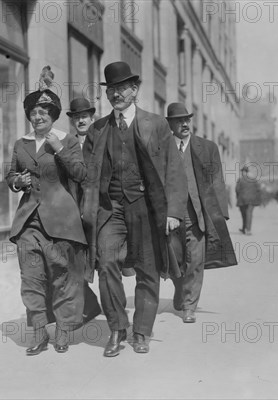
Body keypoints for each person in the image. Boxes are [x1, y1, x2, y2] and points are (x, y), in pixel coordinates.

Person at [81, 61, 187, 356]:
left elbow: (174, 171)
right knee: (107, 263)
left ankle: (141, 331)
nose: (116, 94)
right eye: (111, 89)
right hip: (110, 207)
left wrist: (174, 212)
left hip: (146, 206)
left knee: (147, 270)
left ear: (134, 90)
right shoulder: (98, 129)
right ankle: (117, 328)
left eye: (121, 88)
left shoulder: (156, 124)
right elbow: (86, 174)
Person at [5, 67, 98, 355]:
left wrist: (58, 148)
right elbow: (10, 175)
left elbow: (82, 175)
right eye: (33, 111)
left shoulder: (67, 141)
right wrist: (16, 182)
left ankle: (63, 331)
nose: (38, 116)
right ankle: (37, 333)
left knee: (62, 278)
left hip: (62, 221)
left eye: (45, 111)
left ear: (54, 115)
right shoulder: (21, 144)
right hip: (28, 222)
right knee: (31, 279)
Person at [166, 103, 237, 324]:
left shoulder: (207, 147)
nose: (184, 124)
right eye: (179, 120)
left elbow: (217, 180)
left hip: (198, 214)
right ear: (170, 124)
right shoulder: (162, 147)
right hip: (171, 215)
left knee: (195, 260)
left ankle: (189, 306)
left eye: (187, 119)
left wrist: (220, 215)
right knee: (174, 260)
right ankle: (180, 289)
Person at [66, 97, 103, 325]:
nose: (80, 120)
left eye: (84, 117)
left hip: (100, 210)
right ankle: (89, 305)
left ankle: (111, 310)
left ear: (92, 118)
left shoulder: (101, 141)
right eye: (76, 117)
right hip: (74, 211)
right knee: (72, 261)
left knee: (105, 263)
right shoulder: (67, 143)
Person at [235, 165, 261, 235]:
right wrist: (255, 197)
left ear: (243, 172)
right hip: (252, 200)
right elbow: (258, 189)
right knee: (249, 214)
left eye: (242, 172)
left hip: (242, 199)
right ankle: (247, 229)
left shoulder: (240, 180)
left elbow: (237, 190)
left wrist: (238, 198)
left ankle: (244, 228)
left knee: (244, 214)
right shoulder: (254, 179)